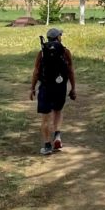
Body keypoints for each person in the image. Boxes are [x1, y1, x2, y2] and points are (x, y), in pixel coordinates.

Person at [30, 27, 77, 155]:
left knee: (45, 118)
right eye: (60, 35)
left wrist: (32, 88)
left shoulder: (42, 52)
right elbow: (70, 71)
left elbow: (36, 72)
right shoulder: (65, 51)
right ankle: (57, 135)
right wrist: (73, 88)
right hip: (60, 87)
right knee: (58, 111)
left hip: (45, 87)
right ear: (58, 37)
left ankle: (47, 145)